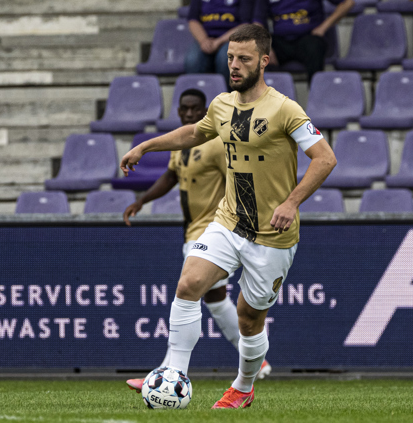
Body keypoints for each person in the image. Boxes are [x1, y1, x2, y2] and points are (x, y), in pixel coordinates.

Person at [120, 24, 336, 409]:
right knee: (188, 285)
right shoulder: (222, 105)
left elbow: (325, 158)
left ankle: (243, 386)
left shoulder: (285, 109)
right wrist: (146, 146)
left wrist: (291, 202)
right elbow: (193, 135)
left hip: (271, 235)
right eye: (231, 58)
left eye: (244, 59)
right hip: (228, 220)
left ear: (264, 62)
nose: (234, 66)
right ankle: (175, 374)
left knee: (249, 319)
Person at [122, 88, 271, 392]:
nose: (189, 114)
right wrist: (142, 200)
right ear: (178, 111)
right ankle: (257, 360)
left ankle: (166, 372)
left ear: (205, 111)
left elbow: (237, 176)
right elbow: (171, 177)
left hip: (213, 228)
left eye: (195, 109)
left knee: (188, 292)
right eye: (184, 109)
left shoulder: (217, 143)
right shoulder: (182, 145)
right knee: (214, 299)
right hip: (192, 229)